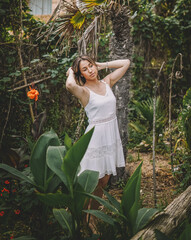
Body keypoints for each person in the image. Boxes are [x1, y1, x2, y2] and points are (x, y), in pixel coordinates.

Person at [66, 55, 130, 210]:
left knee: (104, 180)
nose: (90, 70)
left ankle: (92, 215)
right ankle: (83, 214)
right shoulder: (84, 92)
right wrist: (71, 73)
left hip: (110, 137)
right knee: (93, 180)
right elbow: (69, 86)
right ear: (80, 74)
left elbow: (126, 63)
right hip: (95, 139)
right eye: (85, 69)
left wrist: (101, 64)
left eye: (91, 66)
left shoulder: (107, 82)